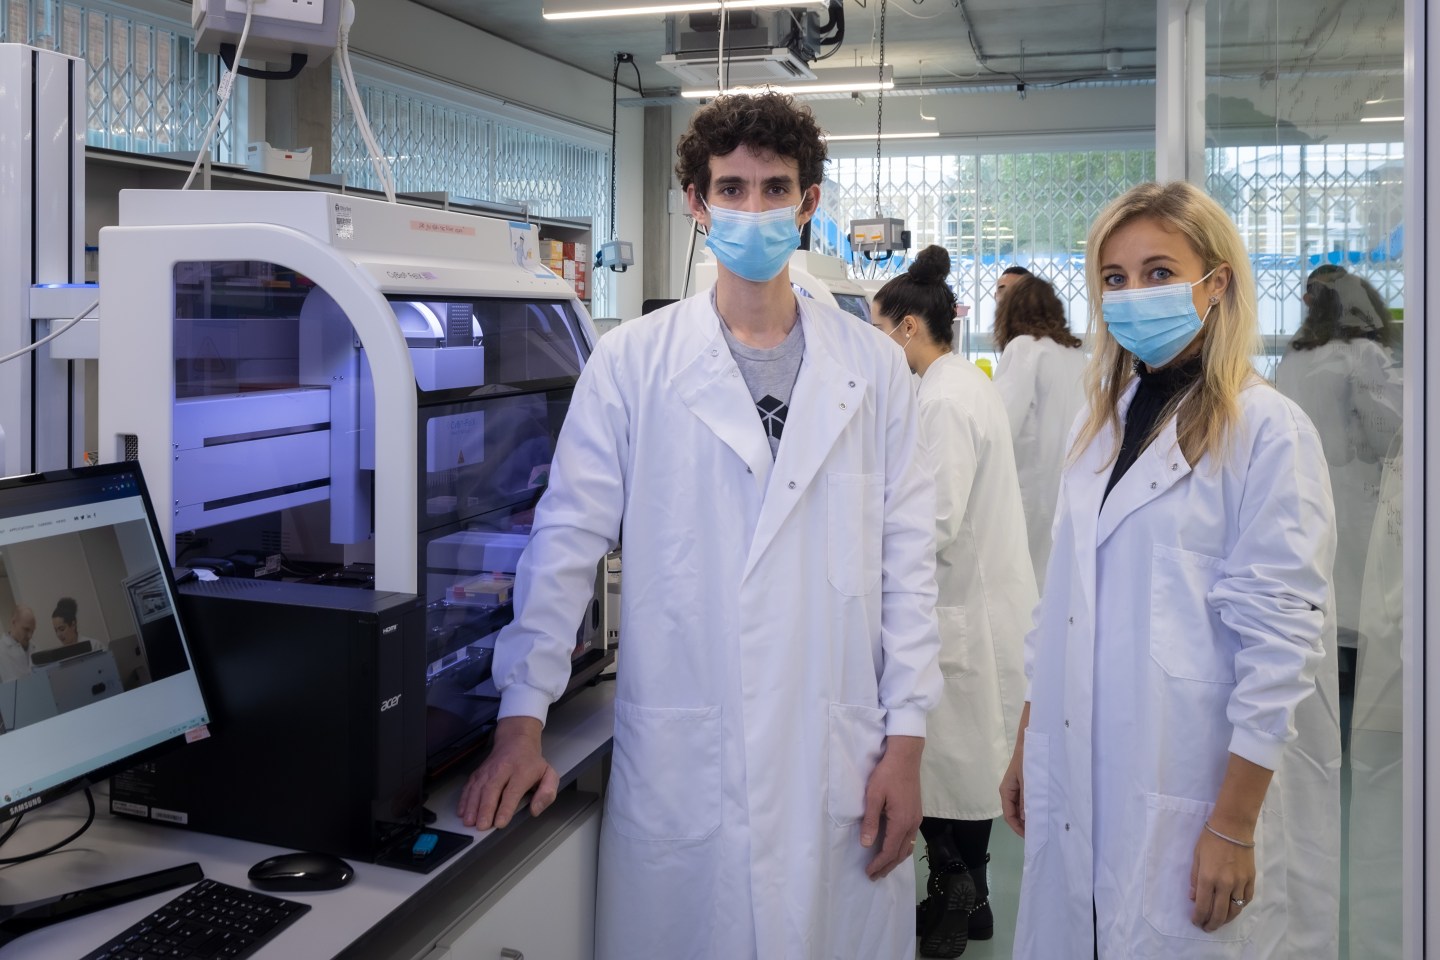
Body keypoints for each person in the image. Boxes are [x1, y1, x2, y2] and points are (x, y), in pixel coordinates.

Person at [457, 91, 943, 960]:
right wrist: (521, 717)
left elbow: (910, 568)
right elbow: (566, 540)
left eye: (774, 188)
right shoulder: (632, 364)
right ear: (695, 203)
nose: (751, 209)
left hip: (835, 762)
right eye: (731, 188)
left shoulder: (873, 369)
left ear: (809, 205)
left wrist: (906, 746)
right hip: (687, 757)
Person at [1000, 181, 1341, 959]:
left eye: (1159, 273)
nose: (1132, 295)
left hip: (1188, 787)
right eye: (1115, 279)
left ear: (1215, 284)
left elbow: (1280, 647)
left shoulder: (1266, 431)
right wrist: (1028, 737)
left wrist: (1234, 822)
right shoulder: (1103, 424)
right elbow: (1059, 607)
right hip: (1079, 760)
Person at [871, 246, 1037, 958]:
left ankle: (953, 902)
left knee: (954, 772)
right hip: (980, 605)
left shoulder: (940, 401)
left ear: (909, 328)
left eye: (878, 329)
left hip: (962, 612)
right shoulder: (961, 384)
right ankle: (973, 909)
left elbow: (933, 522)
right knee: (967, 769)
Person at [1274, 265, 1401, 651]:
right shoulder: (1363, 354)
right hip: (1355, 494)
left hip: (1304, 488)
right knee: (1358, 594)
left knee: (1327, 587)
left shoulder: (1295, 355)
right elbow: (1391, 434)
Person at [991, 273, 1088, 588]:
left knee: (1023, 579)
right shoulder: (1075, 354)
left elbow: (1000, 422)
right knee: (1054, 577)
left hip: (1029, 484)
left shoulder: (1023, 348)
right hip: (1070, 482)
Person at [0, 604, 37, 683]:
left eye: (32, 631)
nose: (30, 636)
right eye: (26, 629)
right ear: (14, 622)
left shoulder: (34, 647)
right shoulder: (1, 651)